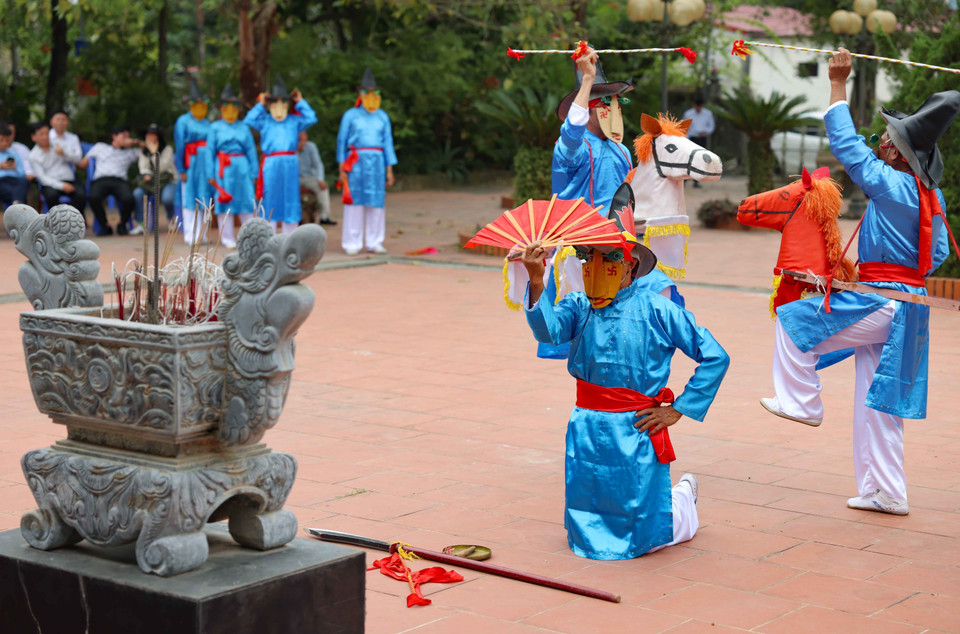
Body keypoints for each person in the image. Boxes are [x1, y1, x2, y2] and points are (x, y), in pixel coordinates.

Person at [761, 48, 958, 515]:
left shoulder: (890, 184)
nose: (881, 141)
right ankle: (886, 491)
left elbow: (846, 146)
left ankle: (801, 400)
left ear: (897, 152)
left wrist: (836, 82)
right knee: (879, 403)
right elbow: (938, 254)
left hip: (885, 300)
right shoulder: (933, 196)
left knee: (792, 320)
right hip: (909, 305)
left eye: (888, 138)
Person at [520, 204, 729, 559]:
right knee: (587, 506)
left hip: (637, 426)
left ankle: (682, 501)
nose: (595, 268)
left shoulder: (659, 309)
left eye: (608, 259)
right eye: (588, 259)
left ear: (630, 265)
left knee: (648, 530)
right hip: (587, 422)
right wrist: (537, 279)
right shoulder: (578, 305)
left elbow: (715, 356)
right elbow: (550, 332)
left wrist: (679, 409)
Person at [244, 75, 317, 234]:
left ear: (287, 105)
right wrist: (260, 104)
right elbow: (249, 120)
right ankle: (268, 236)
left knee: (290, 196)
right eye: (274, 103)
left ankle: (290, 237)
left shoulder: (294, 121)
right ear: (269, 105)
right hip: (271, 163)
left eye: (283, 103)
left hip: (290, 162)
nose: (278, 108)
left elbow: (312, 118)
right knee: (270, 196)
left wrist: (300, 102)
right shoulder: (265, 121)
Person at [336, 67, 397, 254]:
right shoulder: (350, 115)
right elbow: (341, 140)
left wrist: (389, 169)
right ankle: (352, 242)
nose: (370, 95)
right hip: (355, 161)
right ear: (360, 93)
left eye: (373, 92)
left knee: (376, 201)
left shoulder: (382, 116)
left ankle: (374, 241)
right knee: (355, 200)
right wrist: (341, 166)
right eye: (366, 92)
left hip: (377, 161)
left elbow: (388, 142)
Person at [207, 83, 259, 248]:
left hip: (242, 166)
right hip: (223, 168)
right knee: (224, 201)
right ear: (221, 108)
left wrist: (254, 172)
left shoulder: (243, 127)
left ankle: (249, 237)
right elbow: (209, 151)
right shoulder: (214, 127)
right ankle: (227, 238)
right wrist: (210, 174)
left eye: (234, 106)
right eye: (226, 106)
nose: (230, 110)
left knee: (246, 200)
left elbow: (251, 150)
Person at [78, 126, 143, 236]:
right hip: (101, 180)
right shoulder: (100, 147)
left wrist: (135, 142)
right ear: (114, 136)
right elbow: (83, 163)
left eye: (128, 137)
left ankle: (122, 224)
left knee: (129, 199)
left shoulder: (131, 152)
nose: (127, 139)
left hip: (120, 180)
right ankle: (105, 225)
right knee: (93, 197)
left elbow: (150, 149)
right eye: (124, 136)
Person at [175, 77, 214, 244]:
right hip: (191, 163)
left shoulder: (207, 123)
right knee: (189, 197)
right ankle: (190, 235)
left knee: (204, 197)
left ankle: (202, 234)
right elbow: (179, 145)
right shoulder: (183, 121)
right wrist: (182, 169)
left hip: (206, 163)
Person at [29, 121, 87, 214]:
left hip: (69, 179)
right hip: (50, 183)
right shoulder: (33, 155)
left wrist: (64, 152)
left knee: (81, 195)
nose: (45, 137)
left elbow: (77, 159)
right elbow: (42, 177)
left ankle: (73, 220)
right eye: (41, 134)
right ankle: (57, 224)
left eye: (47, 133)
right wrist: (61, 186)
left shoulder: (58, 144)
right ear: (34, 137)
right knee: (51, 196)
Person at [132, 124, 178, 228]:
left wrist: (153, 153)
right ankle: (141, 224)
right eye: (148, 134)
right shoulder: (143, 151)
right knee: (137, 194)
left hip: (167, 181)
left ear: (158, 136)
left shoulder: (167, 149)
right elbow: (143, 167)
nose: (150, 137)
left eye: (153, 134)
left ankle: (171, 218)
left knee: (167, 198)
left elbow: (162, 167)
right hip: (150, 182)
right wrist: (147, 174)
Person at [298, 131, 334, 225]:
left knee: (323, 188)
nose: (303, 139)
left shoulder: (311, 146)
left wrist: (320, 179)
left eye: (304, 136)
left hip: (309, 177)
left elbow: (318, 164)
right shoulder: (289, 148)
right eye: (301, 137)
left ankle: (324, 217)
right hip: (294, 179)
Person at [681, 97, 715, 188]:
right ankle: (684, 179)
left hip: (702, 138)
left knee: (699, 159)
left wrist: (706, 131)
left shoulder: (708, 114)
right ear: (694, 105)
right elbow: (684, 127)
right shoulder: (688, 114)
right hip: (691, 138)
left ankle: (696, 180)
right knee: (688, 159)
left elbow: (711, 126)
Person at [0, 123, 29, 209]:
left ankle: (16, 204)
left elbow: (22, 174)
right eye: (1, 140)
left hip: (15, 181)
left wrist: (15, 168)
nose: (5, 143)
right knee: (18, 192)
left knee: (24, 181)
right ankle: (18, 204)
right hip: (1, 181)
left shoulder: (14, 154)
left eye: (7, 140)